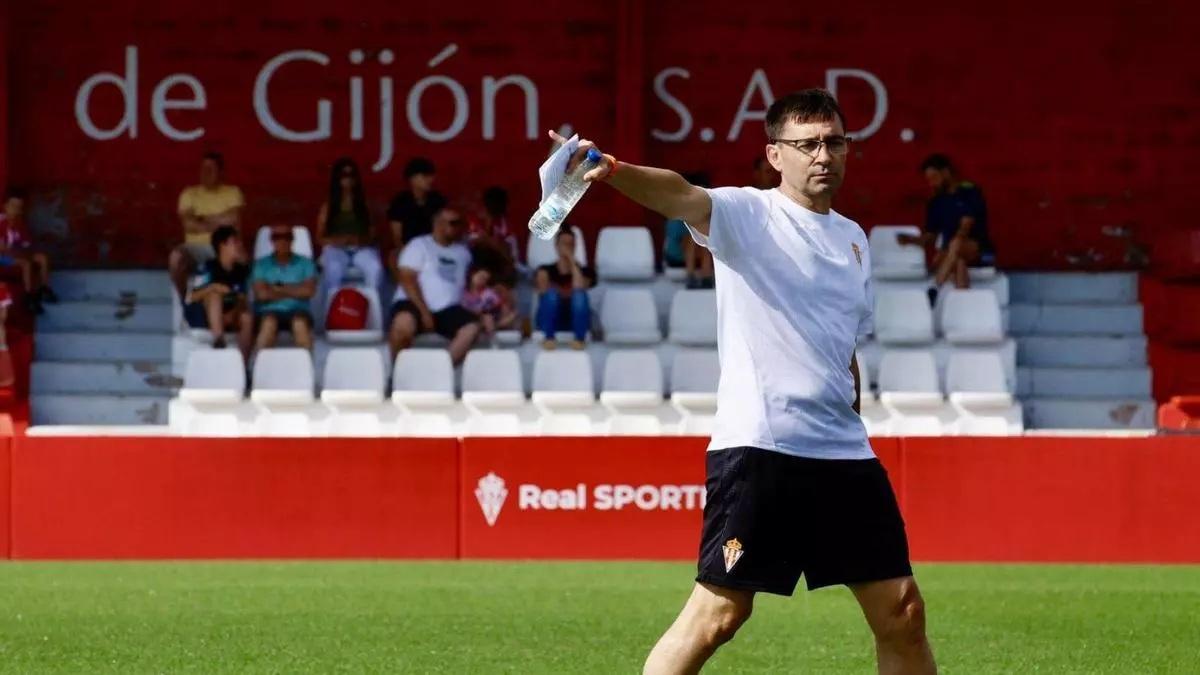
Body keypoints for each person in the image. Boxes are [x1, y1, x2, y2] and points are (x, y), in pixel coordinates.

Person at [551, 88, 935, 675]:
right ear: (775, 154)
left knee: (903, 613)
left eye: (833, 142)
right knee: (719, 616)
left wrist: (851, 404)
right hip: (763, 447)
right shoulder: (748, 213)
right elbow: (678, 193)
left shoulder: (855, 239)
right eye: (806, 145)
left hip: (842, 450)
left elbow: (845, 344)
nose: (822, 155)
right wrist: (612, 171)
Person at [899, 154, 996, 303]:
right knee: (958, 261)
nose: (932, 183)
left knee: (956, 244)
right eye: (929, 180)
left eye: (934, 177)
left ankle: (935, 286)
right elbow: (931, 236)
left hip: (978, 250)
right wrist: (911, 240)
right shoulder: (935, 202)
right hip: (953, 253)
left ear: (946, 172)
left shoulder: (969, 192)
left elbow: (965, 228)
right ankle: (964, 308)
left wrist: (946, 251)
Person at [388, 206, 479, 364]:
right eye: (453, 223)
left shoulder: (463, 252)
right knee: (403, 324)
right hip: (414, 303)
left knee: (472, 328)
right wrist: (424, 311)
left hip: (447, 309)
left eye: (460, 223)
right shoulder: (418, 245)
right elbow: (408, 279)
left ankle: (440, 371)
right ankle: (398, 373)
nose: (458, 228)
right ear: (438, 224)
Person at [170, 152, 244, 300]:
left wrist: (201, 218)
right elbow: (189, 225)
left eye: (211, 169)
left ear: (221, 172)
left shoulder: (232, 192)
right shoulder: (189, 194)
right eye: (203, 169)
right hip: (196, 249)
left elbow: (234, 220)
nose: (206, 173)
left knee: (241, 257)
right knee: (176, 258)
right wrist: (220, 221)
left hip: (224, 248)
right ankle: (186, 300)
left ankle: (236, 305)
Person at [317, 157, 385, 296]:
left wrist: (360, 240)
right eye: (344, 175)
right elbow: (319, 237)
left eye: (352, 175)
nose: (348, 179)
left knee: (375, 268)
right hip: (336, 248)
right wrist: (338, 241)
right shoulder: (329, 206)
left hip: (361, 248)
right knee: (333, 269)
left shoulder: (364, 205)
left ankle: (373, 307)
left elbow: (373, 234)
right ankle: (333, 306)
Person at [183, 226, 252, 358]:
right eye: (235, 242)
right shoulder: (207, 268)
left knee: (247, 317)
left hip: (232, 314)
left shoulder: (241, 270)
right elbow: (191, 296)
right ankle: (219, 344)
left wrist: (232, 314)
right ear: (222, 245)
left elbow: (242, 298)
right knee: (214, 296)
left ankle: (243, 364)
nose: (240, 245)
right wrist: (213, 287)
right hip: (204, 317)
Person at [252, 224, 318, 351]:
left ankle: (306, 367)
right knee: (268, 325)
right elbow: (261, 295)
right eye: (277, 237)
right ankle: (260, 367)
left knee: (300, 325)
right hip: (269, 311)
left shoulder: (306, 263)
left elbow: (309, 291)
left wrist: (277, 288)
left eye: (287, 237)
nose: (282, 241)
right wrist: (295, 289)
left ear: (293, 239)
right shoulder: (261, 265)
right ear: (272, 240)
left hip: (299, 310)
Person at [535, 228, 595, 350]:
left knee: (579, 295)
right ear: (556, 246)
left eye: (571, 244)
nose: (567, 247)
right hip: (550, 319)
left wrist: (571, 260)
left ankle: (579, 339)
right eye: (564, 244)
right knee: (551, 295)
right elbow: (542, 291)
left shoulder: (586, 272)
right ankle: (549, 338)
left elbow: (579, 286)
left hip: (575, 319)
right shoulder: (544, 270)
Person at [0, 188, 57, 313]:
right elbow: (3, 248)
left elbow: (27, 244)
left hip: (17, 253)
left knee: (42, 258)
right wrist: (15, 251)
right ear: (5, 206)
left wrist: (21, 251)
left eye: (19, 207)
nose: (16, 210)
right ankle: (28, 296)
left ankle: (44, 288)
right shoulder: (1, 222)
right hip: (3, 257)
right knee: (25, 263)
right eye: (13, 206)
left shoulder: (20, 224)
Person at [387, 157, 447, 274]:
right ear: (412, 179)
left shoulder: (438, 200)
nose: (430, 180)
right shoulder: (400, 201)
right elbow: (397, 236)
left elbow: (443, 228)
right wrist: (409, 251)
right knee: (394, 257)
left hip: (434, 246)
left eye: (431, 176)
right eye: (425, 176)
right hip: (409, 247)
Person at [664, 172, 715, 289]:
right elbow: (677, 244)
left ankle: (706, 277)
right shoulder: (677, 213)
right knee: (692, 237)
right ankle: (691, 276)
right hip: (677, 255)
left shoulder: (711, 212)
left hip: (701, 253)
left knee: (706, 237)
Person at [467, 186, 520, 283]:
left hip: (498, 272)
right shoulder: (473, 224)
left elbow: (511, 260)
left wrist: (490, 241)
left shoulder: (507, 228)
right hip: (475, 270)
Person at [461, 266, 518, 340]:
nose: (482, 280)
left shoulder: (488, 293)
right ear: (472, 274)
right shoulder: (462, 291)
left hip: (485, 319)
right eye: (481, 276)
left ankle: (492, 341)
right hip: (466, 318)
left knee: (489, 318)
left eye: (485, 279)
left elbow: (500, 306)